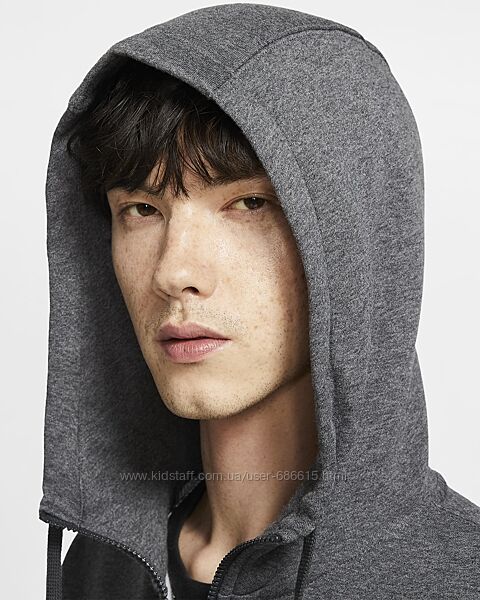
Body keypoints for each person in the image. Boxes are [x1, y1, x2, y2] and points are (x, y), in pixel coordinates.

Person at [39, 4, 480, 600]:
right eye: (141, 210)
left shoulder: (460, 578)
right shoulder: (104, 565)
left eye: (248, 204)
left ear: (359, 238)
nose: (173, 272)